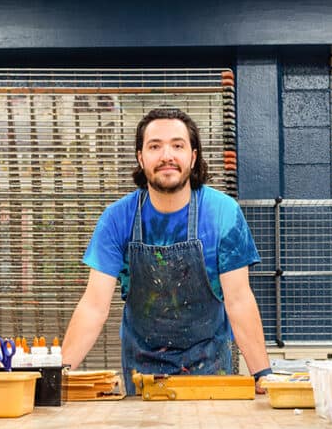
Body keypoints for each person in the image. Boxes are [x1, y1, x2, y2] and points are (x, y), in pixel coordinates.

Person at [61, 107, 272, 395]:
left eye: (177, 145)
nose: (166, 156)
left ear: (193, 157)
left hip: (211, 378)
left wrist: (263, 374)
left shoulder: (223, 213)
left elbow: (239, 300)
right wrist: (57, 375)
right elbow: (94, 306)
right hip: (142, 381)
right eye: (155, 146)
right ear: (140, 157)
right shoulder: (117, 219)